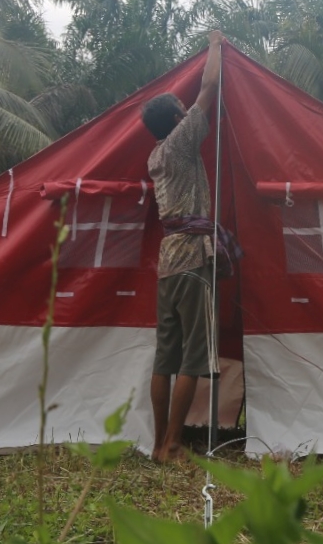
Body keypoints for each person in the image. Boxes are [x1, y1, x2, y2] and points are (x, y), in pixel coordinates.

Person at [140, 30, 225, 462]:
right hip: (192, 258)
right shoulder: (181, 141)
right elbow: (209, 88)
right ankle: (173, 445)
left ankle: (157, 442)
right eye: (181, 107)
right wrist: (215, 45)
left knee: (164, 356)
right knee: (193, 356)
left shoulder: (155, 156)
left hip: (168, 263)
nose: (186, 109)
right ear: (177, 119)